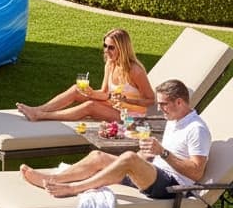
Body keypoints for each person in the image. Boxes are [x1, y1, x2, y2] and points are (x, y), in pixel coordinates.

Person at [20, 79, 210, 199]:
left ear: (179, 102)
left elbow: (196, 173)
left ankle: (73, 188)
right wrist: (146, 156)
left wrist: (163, 152)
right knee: (98, 156)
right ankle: (52, 179)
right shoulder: (175, 119)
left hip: (173, 187)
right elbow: (158, 158)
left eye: (163, 104)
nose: (160, 109)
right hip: (154, 174)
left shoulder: (196, 129)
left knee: (128, 157)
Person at [16, 28, 154, 123]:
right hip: (114, 105)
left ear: (122, 49)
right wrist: (92, 92)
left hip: (130, 116)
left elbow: (150, 100)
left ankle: (40, 116)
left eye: (111, 47)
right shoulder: (110, 64)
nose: (106, 51)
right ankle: (37, 109)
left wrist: (127, 100)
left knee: (90, 106)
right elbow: (105, 93)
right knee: (77, 89)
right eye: (105, 46)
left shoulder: (135, 71)